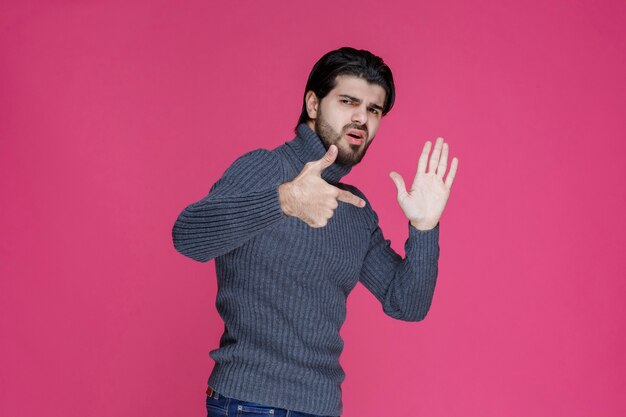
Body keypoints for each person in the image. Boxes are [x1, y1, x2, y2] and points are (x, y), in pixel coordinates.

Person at [172, 46, 458, 417]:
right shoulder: (265, 169)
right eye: (348, 101)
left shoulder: (354, 209)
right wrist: (285, 201)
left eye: (373, 109)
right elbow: (188, 238)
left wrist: (424, 228)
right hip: (250, 404)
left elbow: (408, 304)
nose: (361, 118)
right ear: (312, 104)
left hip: (321, 407)